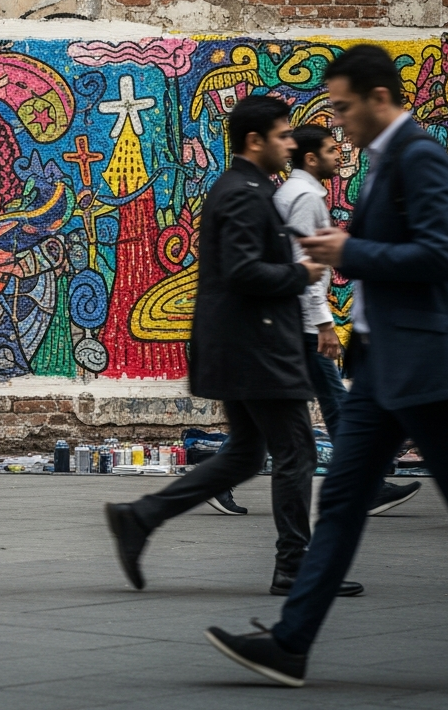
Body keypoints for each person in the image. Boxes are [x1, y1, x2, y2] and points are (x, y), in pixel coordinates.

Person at [205, 45, 448, 693]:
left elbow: (440, 256)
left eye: (344, 107)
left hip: (426, 364)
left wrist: (350, 249)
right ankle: (290, 644)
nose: (337, 121)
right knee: (344, 498)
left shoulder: (419, 156)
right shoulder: (387, 159)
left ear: (379, 98)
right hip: (386, 362)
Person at [104, 95, 363, 599]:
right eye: (283, 136)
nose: (290, 145)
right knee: (296, 451)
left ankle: (140, 517)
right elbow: (244, 272)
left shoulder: (246, 187)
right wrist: (302, 272)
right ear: (254, 140)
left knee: (246, 455)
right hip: (257, 348)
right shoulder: (244, 193)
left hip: (243, 346)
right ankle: (295, 568)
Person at [273, 123, 422, 516]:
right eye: (330, 149)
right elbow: (306, 265)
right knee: (338, 405)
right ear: (310, 158)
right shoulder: (306, 197)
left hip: (293, 318)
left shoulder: (294, 192)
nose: (339, 153)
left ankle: (222, 474)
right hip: (303, 322)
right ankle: (367, 488)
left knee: (279, 408)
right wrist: (324, 324)